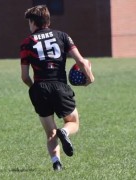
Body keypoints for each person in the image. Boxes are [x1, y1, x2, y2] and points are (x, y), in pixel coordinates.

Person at [20, 5, 94, 171]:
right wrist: (89, 78)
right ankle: (66, 132)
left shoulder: (26, 43)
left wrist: (35, 88)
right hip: (60, 86)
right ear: (48, 20)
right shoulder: (63, 36)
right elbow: (81, 62)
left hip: (40, 88)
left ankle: (56, 163)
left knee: (50, 132)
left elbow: (25, 77)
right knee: (73, 121)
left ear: (32, 22)